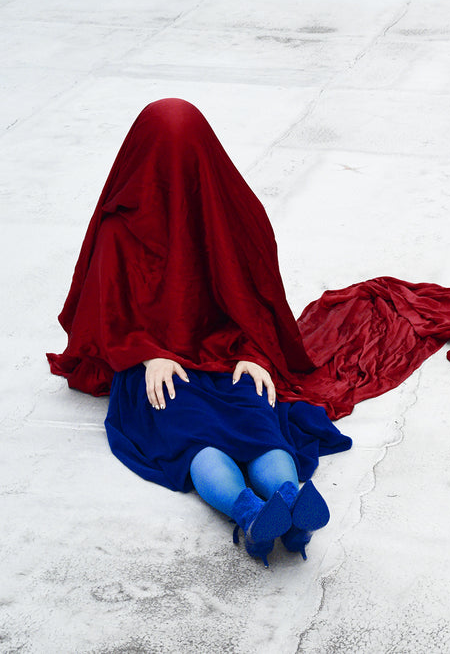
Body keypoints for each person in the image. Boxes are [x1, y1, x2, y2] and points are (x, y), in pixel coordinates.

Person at [48, 99, 352, 566]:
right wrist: (148, 354)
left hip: (227, 353)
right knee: (225, 430)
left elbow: (253, 295)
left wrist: (255, 352)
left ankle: (266, 510)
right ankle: (277, 506)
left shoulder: (224, 211)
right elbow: (109, 315)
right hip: (157, 361)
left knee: (231, 424)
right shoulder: (120, 227)